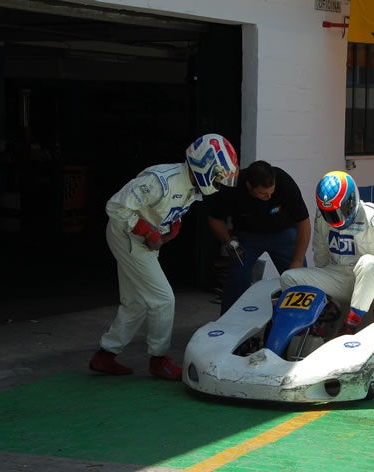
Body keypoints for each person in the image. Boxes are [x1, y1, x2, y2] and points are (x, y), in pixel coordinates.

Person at [89, 134, 239, 380]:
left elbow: (168, 208)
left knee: (136, 302)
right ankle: (159, 360)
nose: (220, 181)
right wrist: (147, 232)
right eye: (218, 175)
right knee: (163, 299)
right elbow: (115, 206)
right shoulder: (160, 181)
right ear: (205, 166)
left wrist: (171, 226)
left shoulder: (192, 185)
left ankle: (105, 356)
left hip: (141, 237)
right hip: (127, 235)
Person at [280, 171, 374, 335]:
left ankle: (351, 325)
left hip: (371, 281)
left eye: (339, 211)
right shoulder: (321, 218)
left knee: (369, 262)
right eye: (329, 213)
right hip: (339, 276)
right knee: (288, 278)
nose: (334, 218)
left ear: (352, 199)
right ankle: (312, 326)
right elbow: (321, 254)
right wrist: (324, 295)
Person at [207, 160, 311, 314]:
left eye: (272, 191)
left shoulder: (284, 181)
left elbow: (304, 223)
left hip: (283, 234)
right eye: (263, 193)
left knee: (299, 276)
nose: (269, 196)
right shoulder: (233, 186)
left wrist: (297, 260)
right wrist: (228, 242)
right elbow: (214, 218)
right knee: (237, 277)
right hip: (248, 236)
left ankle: (302, 320)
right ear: (249, 186)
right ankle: (229, 323)